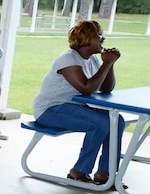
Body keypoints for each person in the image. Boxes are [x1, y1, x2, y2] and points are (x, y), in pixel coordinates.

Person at [31, 20, 122, 185]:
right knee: (101, 123)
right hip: (50, 109)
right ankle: (78, 171)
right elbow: (86, 89)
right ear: (87, 38)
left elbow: (106, 88)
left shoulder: (92, 60)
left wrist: (109, 65)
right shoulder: (68, 59)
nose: (103, 39)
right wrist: (107, 63)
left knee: (117, 121)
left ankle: (105, 173)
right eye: (99, 35)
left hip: (73, 108)